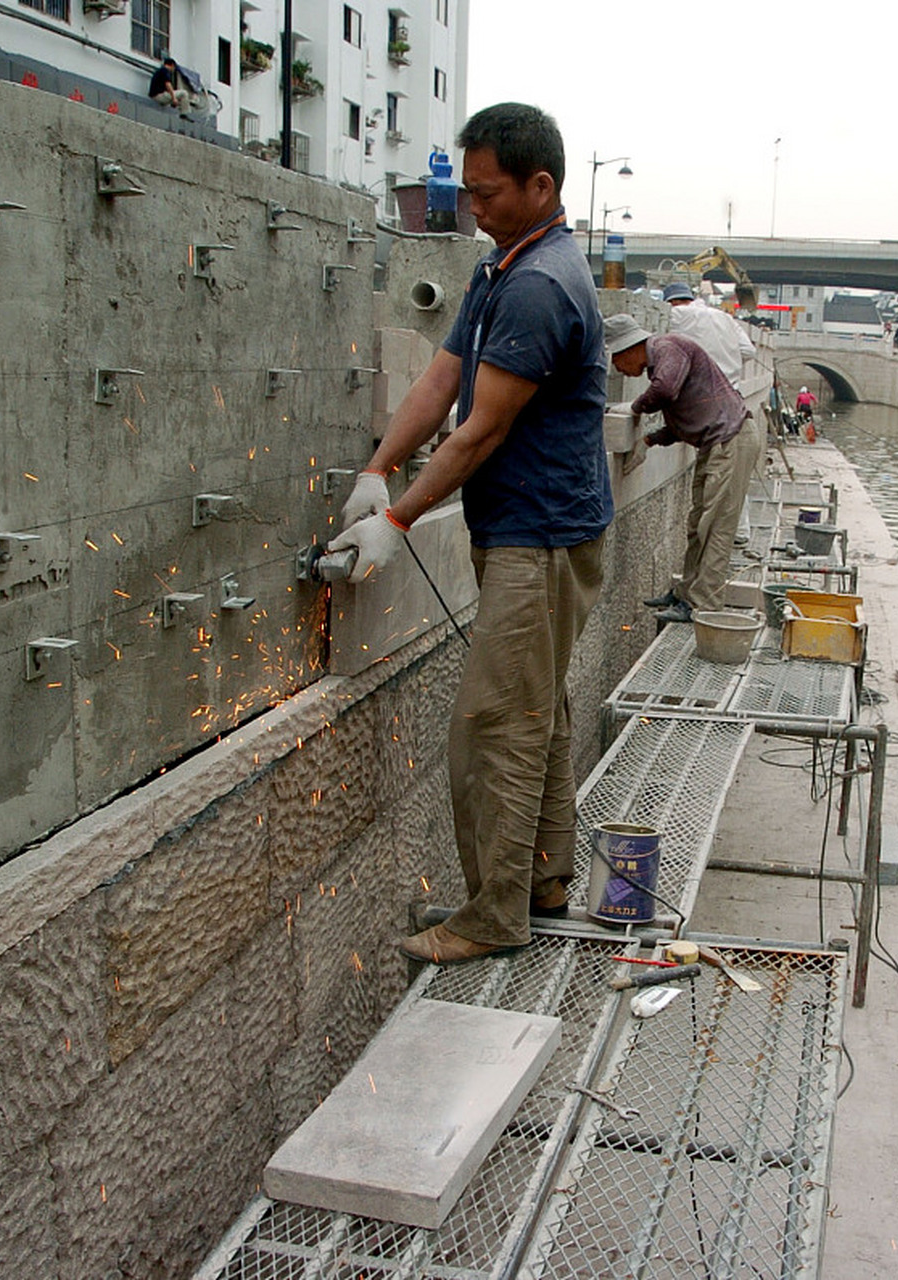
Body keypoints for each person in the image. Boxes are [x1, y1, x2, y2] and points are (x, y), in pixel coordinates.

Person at [328, 102, 611, 966]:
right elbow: (442, 378)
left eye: (488, 194)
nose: (473, 209)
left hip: (541, 538)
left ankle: (495, 916)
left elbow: (481, 430)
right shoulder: (502, 267)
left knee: (495, 727)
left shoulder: (538, 285)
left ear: (541, 186)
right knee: (540, 714)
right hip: (530, 530)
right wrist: (379, 467)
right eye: (470, 194)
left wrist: (399, 519)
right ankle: (545, 878)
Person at [608, 314, 763, 625]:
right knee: (698, 524)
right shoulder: (664, 359)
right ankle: (686, 593)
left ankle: (702, 606)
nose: (616, 368)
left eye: (615, 359)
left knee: (716, 526)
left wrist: (634, 407)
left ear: (627, 348)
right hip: (717, 444)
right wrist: (649, 441)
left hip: (731, 442)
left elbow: (664, 391)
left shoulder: (668, 348)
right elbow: (684, 421)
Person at [660, 282, 755, 392]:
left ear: (672, 302)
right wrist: (727, 360)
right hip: (731, 393)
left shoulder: (674, 314)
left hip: (697, 394)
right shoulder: (726, 317)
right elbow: (749, 351)